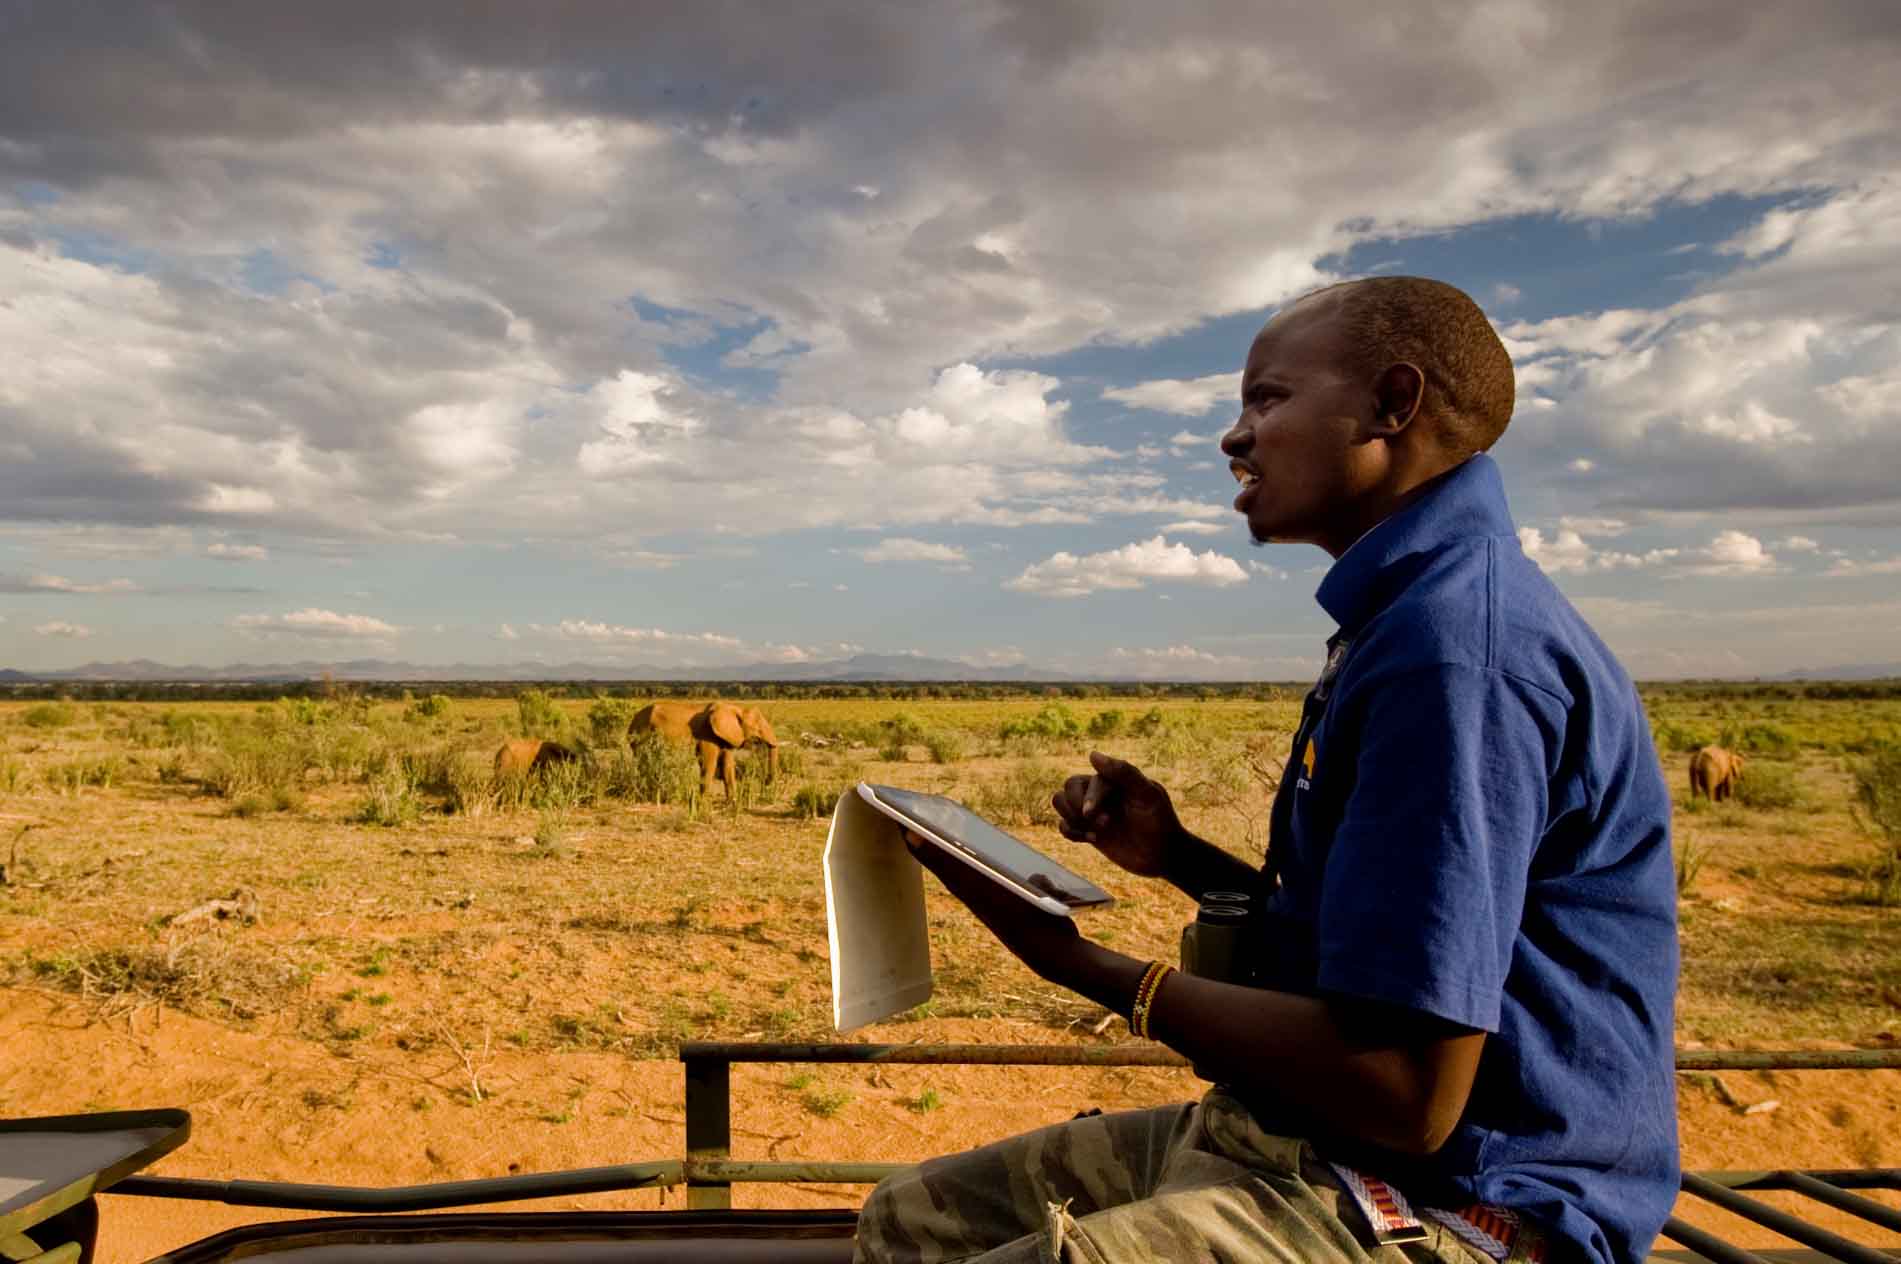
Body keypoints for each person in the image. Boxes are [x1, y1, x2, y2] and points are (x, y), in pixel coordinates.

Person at [853, 277, 1679, 1264]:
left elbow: (1405, 1091)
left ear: (1389, 404)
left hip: (1464, 1208)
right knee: (906, 1222)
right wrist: (1178, 857)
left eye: (1266, 399)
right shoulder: (1405, 621)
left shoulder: (1453, 653)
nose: (1232, 438)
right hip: (1319, 1141)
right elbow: (1371, 965)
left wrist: (1075, 962)